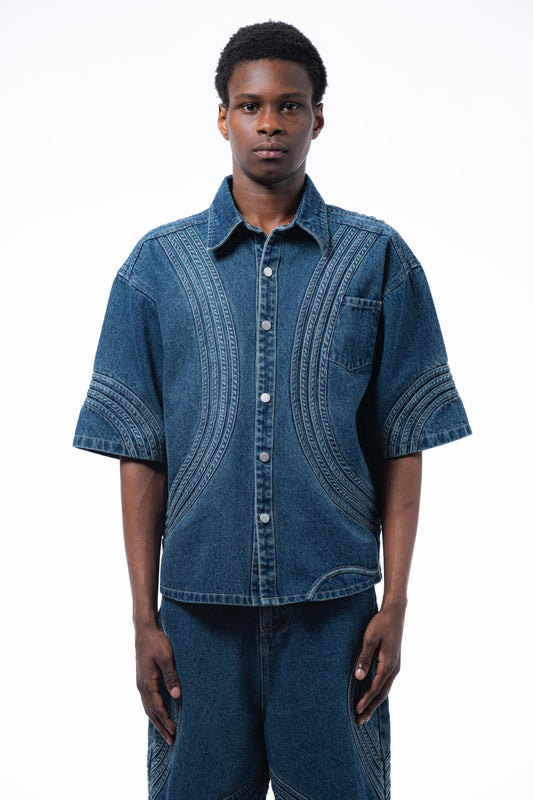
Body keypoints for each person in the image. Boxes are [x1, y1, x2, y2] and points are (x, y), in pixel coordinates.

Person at [72, 20, 472, 800]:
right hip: (196, 617)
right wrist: (143, 618)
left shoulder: (376, 258)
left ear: (317, 118)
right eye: (250, 105)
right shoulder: (157, 268)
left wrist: (395, 602)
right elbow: (139, 452)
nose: (269, 123)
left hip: (335, 615)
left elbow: (401, 441)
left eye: (289, 106)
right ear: (222, 117)